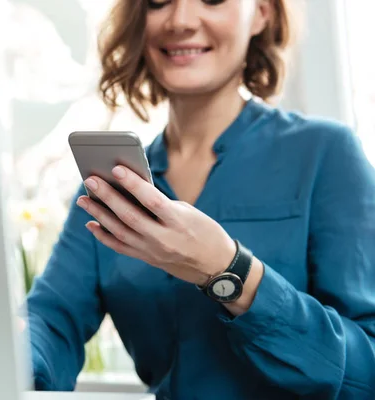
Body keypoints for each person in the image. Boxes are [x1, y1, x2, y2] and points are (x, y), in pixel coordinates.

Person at [20, 0, 375, 398]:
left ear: (261, 13)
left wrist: (226, 270)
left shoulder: (325, 154)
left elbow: (368, 369)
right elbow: (50, 321)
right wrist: (3, 361)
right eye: (158, 2)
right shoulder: (112, 188)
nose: (181, 21)